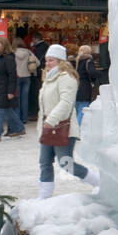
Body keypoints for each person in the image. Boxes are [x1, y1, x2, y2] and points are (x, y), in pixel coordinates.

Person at [37, 44, 100, 199]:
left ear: (60, 61)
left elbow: (66, 103)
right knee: (44, 162)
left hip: (63, 127)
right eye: (46, 60)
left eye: (51, 60)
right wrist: (44, 124)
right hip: (48, 127)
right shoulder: (49, 79)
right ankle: (44, 196)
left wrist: (51, 120)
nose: (47, 63)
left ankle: (98, 181)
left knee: (66, 164)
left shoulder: (66, 78)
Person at [0, 37, 26, 143]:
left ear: (4, 45)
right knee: (7, 111)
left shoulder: (9, 58)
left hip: (5, 89)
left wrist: (11, 91)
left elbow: (12, 76)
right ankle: (19, 128)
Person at [12, 36, 39, 124]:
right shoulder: (28, 52)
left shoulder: (12, 52)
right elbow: (37, 63)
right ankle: (24, 118)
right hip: (27, 77)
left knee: (17, 98)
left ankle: (18, 118)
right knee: (25, 98)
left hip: (17, 77)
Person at [74, 45, 98, 125]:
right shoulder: (88, 60)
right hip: (85, 87)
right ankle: (78, 130)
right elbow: (92, 73)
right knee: (83, 109)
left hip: (76, 86)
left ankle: (74, 130)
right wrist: (99, 74)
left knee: (77, 109)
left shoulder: (76, 60)